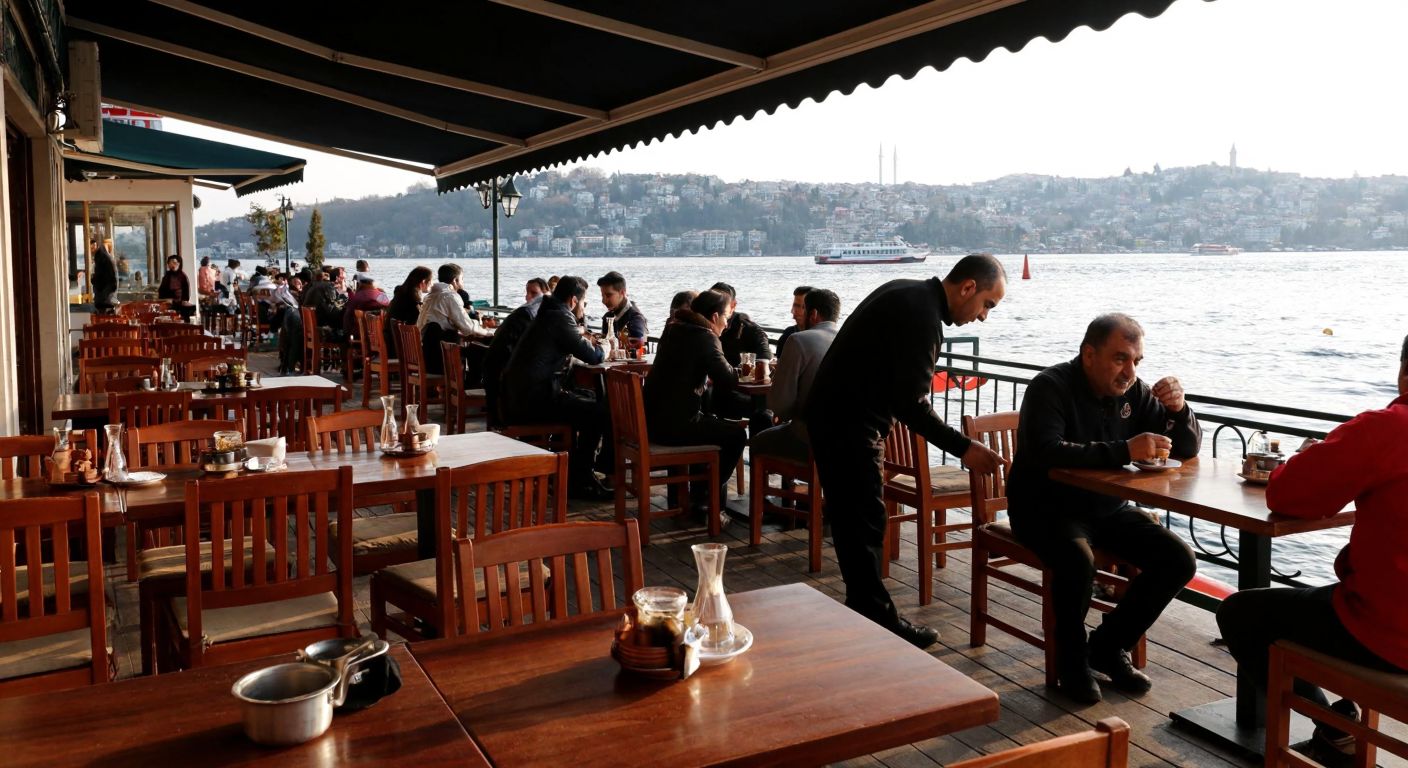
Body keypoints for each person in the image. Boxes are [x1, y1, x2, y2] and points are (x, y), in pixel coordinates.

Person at [1216, 335, 1408, 765]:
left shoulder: (1389, 427)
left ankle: (1334, 728)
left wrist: (1309, 457)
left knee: (1241, 615)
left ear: (1404, 372)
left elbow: (1287, 495)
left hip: (1388, 634)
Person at [805, 254, 1008, 649]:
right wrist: (964, 447)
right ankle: (877, 622)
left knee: (856, 523)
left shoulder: (906, 290)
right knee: (863, 523)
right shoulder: (923, 317)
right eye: (987, 304)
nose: (984, 316)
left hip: (834, 416)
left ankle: (863, 612)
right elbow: (911, 403)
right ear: (968, 287)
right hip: (848, 422)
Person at [1006, 312, 1199, 702]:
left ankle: (1108, 646)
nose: (1129, 371)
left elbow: (1185, 448)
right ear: (1089, 354)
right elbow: (1046, 451)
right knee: (1078, 562)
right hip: (1044, 509)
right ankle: (1071, 660)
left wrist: (1179, 411)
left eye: (1136, 361)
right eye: (1120, 358)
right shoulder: (1050, 386)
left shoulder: (1134, 392)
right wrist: (1124, 450)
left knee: (1179, 559)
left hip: (1106, 508)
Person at [500, 276, 611, 500]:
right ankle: (581, 478)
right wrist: (606, 346)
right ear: (573, 300)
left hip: (517, 397)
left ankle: (574, 473)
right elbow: (593, 356)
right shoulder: (560, 317)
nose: (583, 307)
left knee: (585, 402)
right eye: (583, 302)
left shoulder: (547, 313)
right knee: (600, 413)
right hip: (533, 402)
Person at [645, 289, 747, 509]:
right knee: (737, 435)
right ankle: (705, 496)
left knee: (711, 424)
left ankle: (698, 495)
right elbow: (727, 379)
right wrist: (742, 371)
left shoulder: (675, 328)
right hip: (676, 428)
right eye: (726, 318)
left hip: (651, 423)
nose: (727, 325)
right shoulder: (705, 336)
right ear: (714, 317)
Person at [750, 288, 839, 464]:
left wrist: (781, 413)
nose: (794, 314)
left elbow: (780, 404)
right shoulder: (846, 339)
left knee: (758, 442)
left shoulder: (799, 340)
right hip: (845, 440)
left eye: (802, 308)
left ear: (813, 314)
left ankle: (773, 490)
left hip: (810, 439)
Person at [482, 293, 545, 426]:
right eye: (528, 292)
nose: (529, 296)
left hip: (498, 379)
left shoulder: (525, 313)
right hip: (507, 384)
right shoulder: (528, 316)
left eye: (534, 293)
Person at [418, 263, 487, 372]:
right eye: (462, 279)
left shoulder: (429, 297)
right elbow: (468, 329)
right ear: (455, 280)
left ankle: (465, 384)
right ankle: (470, 386)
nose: (463, 283)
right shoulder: (449, 297)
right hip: (439, 358)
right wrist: (488, 332)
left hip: (426, 354)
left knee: (471, 349)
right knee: (478, 351)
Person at [709, 282, 772, 366]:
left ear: (733, 305)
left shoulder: (748, 328)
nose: (716, 307)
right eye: (712, 301)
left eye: (722, 303)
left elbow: (764, 352)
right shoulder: (701, 325)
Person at [597, 271, 649, 345]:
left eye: (608, 295)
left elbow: (639, 346)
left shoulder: (636, 318)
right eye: (602, 296)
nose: (603, 301)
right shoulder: (607, 317)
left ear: (622, 293)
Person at [774, 285, 813, 359]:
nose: (792, 311)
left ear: (813, 311)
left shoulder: (820, 339)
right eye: (794, 306)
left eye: (798, 306)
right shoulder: (788, 334)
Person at [156, 255, 193, 320]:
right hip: (166, 304)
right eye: (170, 262)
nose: (172, 264)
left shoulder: (182, 276)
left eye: (174, 262)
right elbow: (162, 289)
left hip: (178, 304)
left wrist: (183, 302)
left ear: (179, 263)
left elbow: (186, 292)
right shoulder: (167, 275)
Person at [91, 239, 118, 313]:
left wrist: (93, 279)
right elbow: (112, 279)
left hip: (103, 299)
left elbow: (99, 278)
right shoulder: (106, 257)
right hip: (107, 298)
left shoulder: (101, 257)